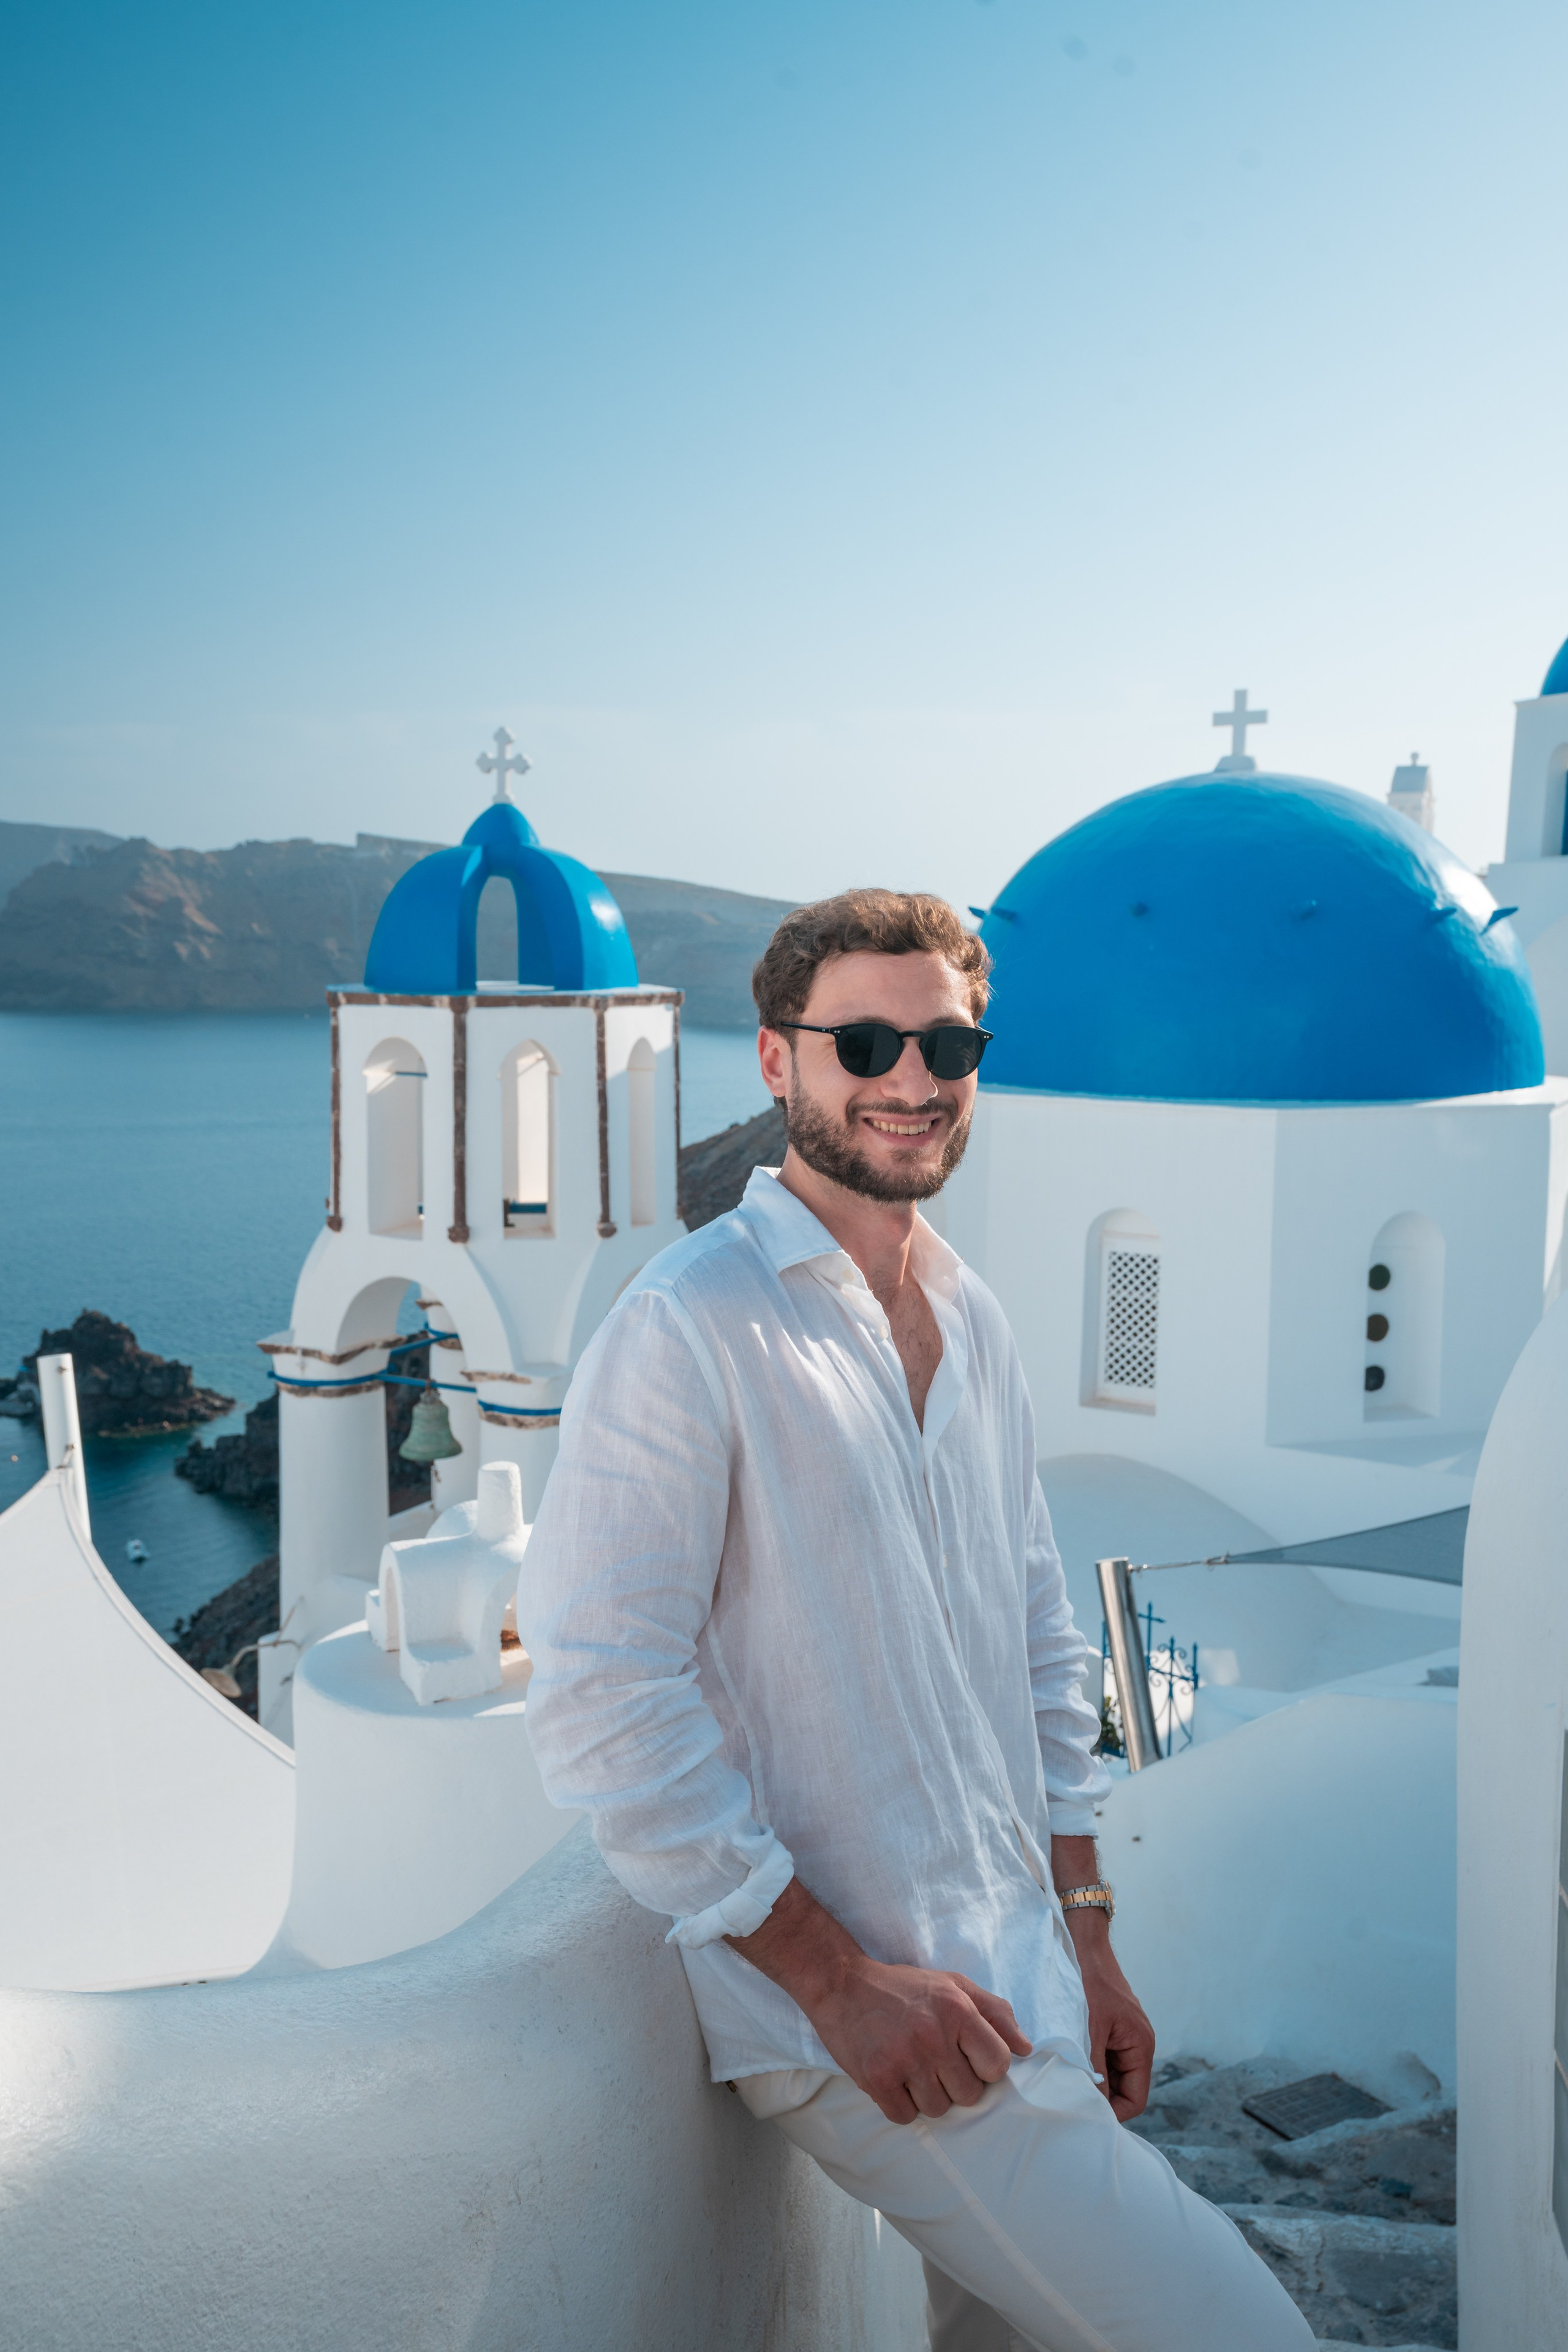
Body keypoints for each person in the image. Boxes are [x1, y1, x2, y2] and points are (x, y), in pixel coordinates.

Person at [522, 889, 1313, 2351]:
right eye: (864, 1041)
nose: (907, 1079)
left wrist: (1085, 1935)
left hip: (1015, 1978)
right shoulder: (689, 1324)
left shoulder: (974, 1314)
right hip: (858, 2022)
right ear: (775, 1064)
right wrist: (838, 1983)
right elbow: (599, 1688)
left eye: (944, 1044)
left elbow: (1033, 1635)